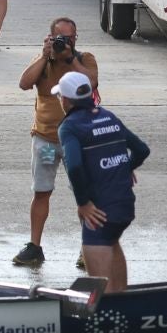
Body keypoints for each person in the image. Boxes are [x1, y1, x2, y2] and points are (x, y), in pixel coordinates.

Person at [13, 16, 100, 267]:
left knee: (85, 197)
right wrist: (44, 56)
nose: (66, 42)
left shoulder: (84, 59)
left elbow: (90, 81)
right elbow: (24, 83)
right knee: (41, 192)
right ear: (50, 38)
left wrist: (70, 57)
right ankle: (35, 246)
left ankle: (88, 248)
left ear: (76, 38)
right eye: (60, 38)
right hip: (46, 139)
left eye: (70, 38)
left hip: (79, 141)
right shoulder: (44, 61)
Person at [55, 70, 150, 293]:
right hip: (124, 206)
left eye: (60, 96)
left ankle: (108, 321)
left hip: (100, 212)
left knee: (100, 293)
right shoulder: (109, 116)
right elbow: (141, 150)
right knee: (112, 242)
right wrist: (125, 167)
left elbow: (75, 166)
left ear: (66, 100)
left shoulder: (69, 127)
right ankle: (125, 315)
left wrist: (83, 203)